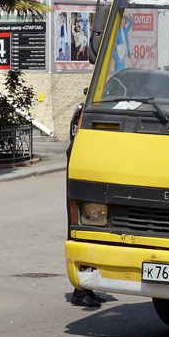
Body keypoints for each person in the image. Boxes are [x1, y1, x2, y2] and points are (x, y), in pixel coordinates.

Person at [67, 93, 103, 308]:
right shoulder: (86, 111)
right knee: (81, 233)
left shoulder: (84, 109)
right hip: (83, 174)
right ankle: (81, 291)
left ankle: (87, 287)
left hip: (84, 171)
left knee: (91, 234)